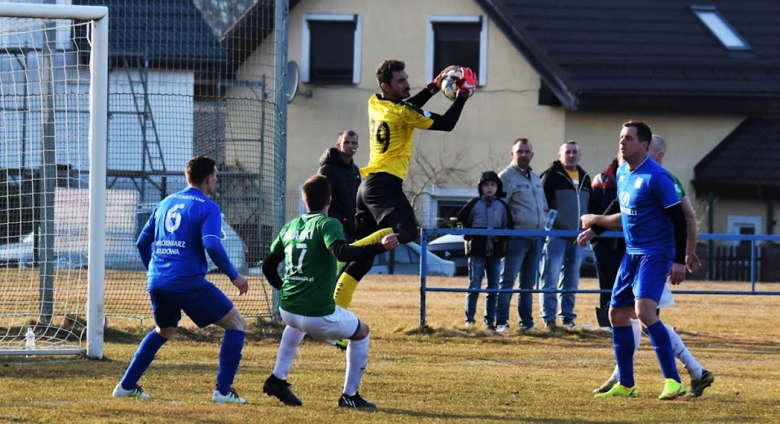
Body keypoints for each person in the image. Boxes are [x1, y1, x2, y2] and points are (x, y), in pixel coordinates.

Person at [331, 60, 476, 342]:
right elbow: (446, 124)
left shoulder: (375, 101)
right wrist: (462, 97)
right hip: (383, 184)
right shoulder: (402, 113)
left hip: (369, 185)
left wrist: (434, 87)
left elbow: (409, 104)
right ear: (387, 86)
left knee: (363, 262)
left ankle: (335, 325)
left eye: (408, 79)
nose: (407, 85)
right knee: (407, 232)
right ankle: (340, 255)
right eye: (401, 82)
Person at [580, 135, 714, 398]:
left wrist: (685, 254)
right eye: (620, 139)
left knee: (644, 315)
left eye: (630, 140)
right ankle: (631, 380)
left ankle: (680, 376)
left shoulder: (663, 178)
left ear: (653, 152)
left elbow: (685, 217)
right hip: (634, 254)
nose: (622, 145)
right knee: (622, 315)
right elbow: (626, 211)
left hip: (656, 255)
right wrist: (597, 227)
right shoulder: (625, 173)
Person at [112, 155, 249, 404]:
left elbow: (142, 242)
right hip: (186, 281)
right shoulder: (208, 207)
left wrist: (155, 271)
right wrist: (235, 276)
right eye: (215, 176)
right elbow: (212, 245)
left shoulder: (166, 202)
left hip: (158, 280)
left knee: (164, 330)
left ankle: (126, 385)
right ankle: (223, 391)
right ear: (208, 180)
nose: (216, 180)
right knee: (236, 324)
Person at [260, 175, 399, 409]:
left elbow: (267, 266)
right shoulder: (327, 223)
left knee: (294, 326)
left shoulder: (290, 226)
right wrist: (380, 247)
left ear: (305, 200)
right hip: (317, 313)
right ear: (329, 199)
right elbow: (341, 253)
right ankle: (349, 395)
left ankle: (277, 380)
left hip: (288, 310)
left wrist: (284, 288)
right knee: (362, 333)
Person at [496, 138, 548, 332]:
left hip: (536, 237)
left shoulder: (535, 177)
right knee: (507, 280)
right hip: (516, 237)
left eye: (527, 151)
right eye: (520, 151)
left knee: (528, 283)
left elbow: (542, 204)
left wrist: (544, 221)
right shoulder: (505, 177)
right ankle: (501, 321)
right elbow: (500, 208)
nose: (523, 155)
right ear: (512, 154)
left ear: (532, 155)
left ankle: (526, 322)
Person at [538, 141, 591, 329]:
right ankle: (549, 319)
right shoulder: (551, 175)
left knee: (571, 281)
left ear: (580, 155)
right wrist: (550, 226)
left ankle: (568, 318)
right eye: (567, 152)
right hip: (556, 236)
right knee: (550, 278)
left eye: (575, 152)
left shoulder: (585, 178)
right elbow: (541, 204)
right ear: (560, 155)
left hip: (578, 237)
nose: (571, 155)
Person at [455, 171, 514, 329]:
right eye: (486, 185)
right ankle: (470, 320)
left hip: (495, 252)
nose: (489, 188)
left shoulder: (502, 206)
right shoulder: (473, 204)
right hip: (477, 251)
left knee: (493, 287)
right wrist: (468, 235)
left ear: (497, 187)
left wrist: (502, 240)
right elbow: (459, 221)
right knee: (474, 286)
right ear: (481, 187)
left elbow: (509, 227)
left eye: (493, 185)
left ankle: (489, 321)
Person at [587, 154, 624, 328]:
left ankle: (628, 321)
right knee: (607, 284)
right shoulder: (602, 178)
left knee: (628, 283)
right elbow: (594, 209)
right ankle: (605, 323)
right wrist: (594, 237)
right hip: (604, 242)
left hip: (628, 241)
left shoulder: (636, 177)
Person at [318, 130, 361, 242]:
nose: (350, 146)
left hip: (351, 227)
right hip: (335, 226)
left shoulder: (355, 170)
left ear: (357, 145)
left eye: (353, 143)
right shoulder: (328, 169)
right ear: (338, 145)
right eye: (346, 142)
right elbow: (320, 198)